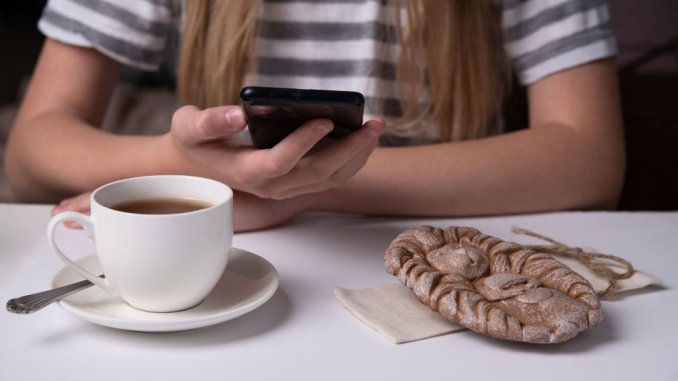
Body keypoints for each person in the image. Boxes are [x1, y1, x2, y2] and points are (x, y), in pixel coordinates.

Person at [4, 0, 625, 232]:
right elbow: (32, 151)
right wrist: (182, 170)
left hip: (451, 250)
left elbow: (588, 157)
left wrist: (290, 191)